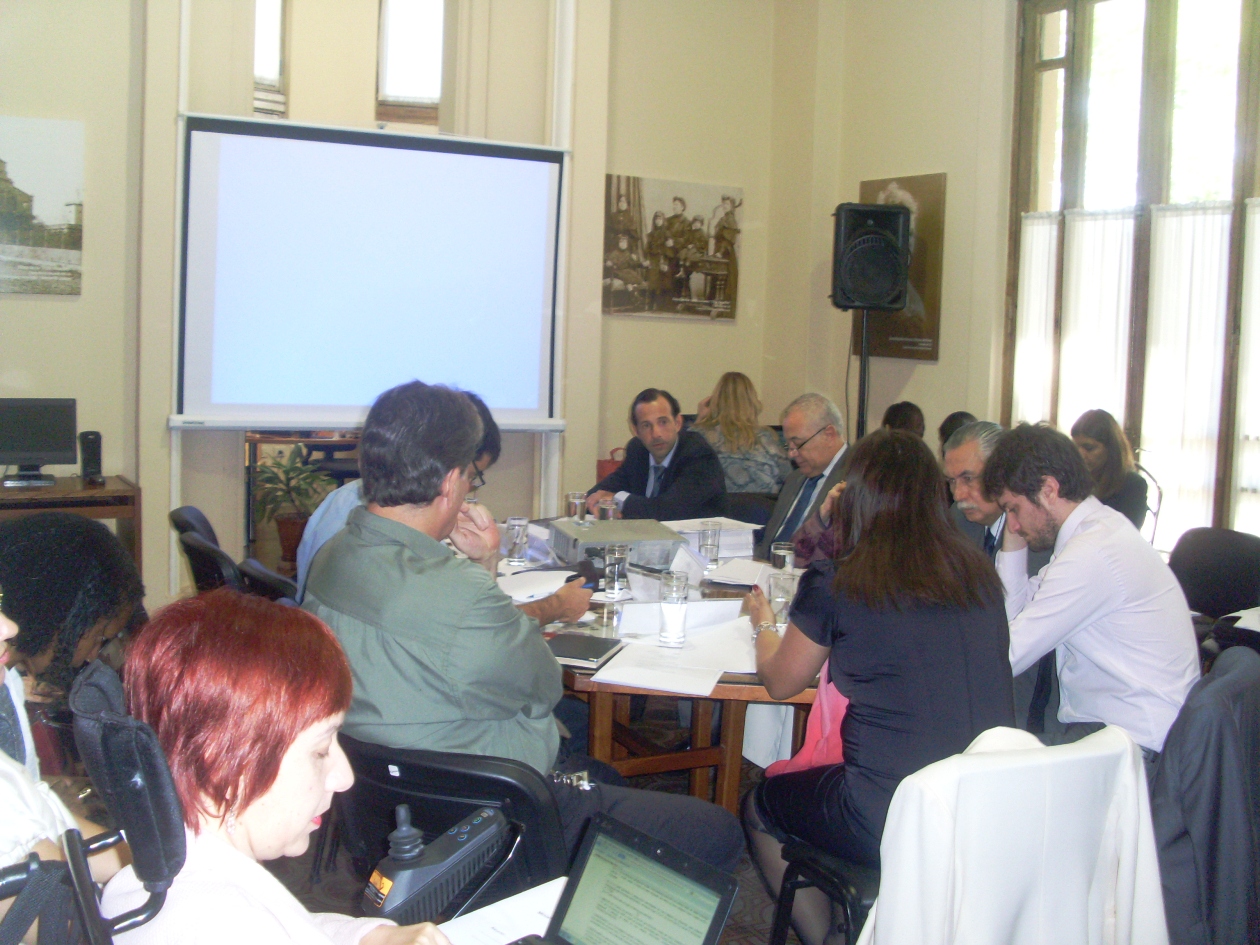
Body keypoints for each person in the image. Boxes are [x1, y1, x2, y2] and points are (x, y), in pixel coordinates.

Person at [304, 381, 741, 872]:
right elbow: (543, 687)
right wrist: (481, 576)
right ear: (450, 481)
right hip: (494, 815)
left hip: (390, 803)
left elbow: (456, 653)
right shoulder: (456, 595)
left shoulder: (333, 556)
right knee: (716, 832)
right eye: (472, 477)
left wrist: (484, 565)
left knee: (607, 778)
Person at [743, 430, 1015, 945]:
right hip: (983, 801)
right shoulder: (978, 574)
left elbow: (781, 681)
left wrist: (762, 626)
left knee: (761, 804)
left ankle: (828, 937)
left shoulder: (840, 581)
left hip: (888, 810)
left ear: (857, 497)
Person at [101, 588, 449, 945]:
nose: (344, 778)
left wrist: (369, 936)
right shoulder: (217, 929)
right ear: (223, 765)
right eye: (320, 750)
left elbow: (290, 925)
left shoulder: (166, 873)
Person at [983, 423, 1199, 762]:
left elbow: (1006, 657)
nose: (1012, 523)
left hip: (1137, 746)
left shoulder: (1093, 553)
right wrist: (1015, 537)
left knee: (985, 759)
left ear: (1048, 490)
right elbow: (1010, 618)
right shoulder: (1097, 532)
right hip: (1117, 732)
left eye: (1013, 508)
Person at [296, 392, 502, 602]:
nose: (467, 491)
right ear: (450, 476)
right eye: (470, 477)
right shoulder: (409, 532)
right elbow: (471, 612)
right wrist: (486, 560)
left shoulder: (342, 505)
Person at [942, 421, 1056, 734]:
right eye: (951, 481)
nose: (958, 494)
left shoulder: (1038, 534)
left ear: (1002, 473)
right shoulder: (958, 521)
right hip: (968, 680)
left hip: (1025, 703)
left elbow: (1022, 646)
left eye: (968, 479)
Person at [587, 388, 725, 520]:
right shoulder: (638, 451)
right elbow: (602, 491)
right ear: (636, 431)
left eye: (663, 422)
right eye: (646, 425)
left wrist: (617, 499)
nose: (656, 434)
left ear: (677, 423)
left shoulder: (698, 454)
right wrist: (591, 501)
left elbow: (668, 511)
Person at [755, 393, 848, 559]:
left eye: (798, 444)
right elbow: (768, 543)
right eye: (788, 446)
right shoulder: (794, 479)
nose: (791, 454)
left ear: (829, 435)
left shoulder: (857, 479)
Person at [692, 372, 791, 494]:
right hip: (762, 504)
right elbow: (789, 479)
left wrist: (700, 420)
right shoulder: (766, 437)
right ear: (752, 402)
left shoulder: (698, 436)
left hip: (717, 505)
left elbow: (680, 471)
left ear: (715, 401)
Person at [1071, 409, 1149, 530]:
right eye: (1075, 447)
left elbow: (1127, 532)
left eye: (1089, 448)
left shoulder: (1132, 485)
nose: (1080, 455)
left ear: (1111, 449)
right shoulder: (1073, 478)